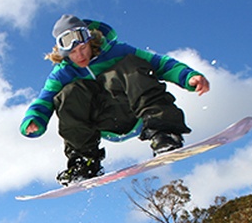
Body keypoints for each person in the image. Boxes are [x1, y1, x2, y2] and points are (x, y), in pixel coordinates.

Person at [20, 14, 210, 185]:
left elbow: (159, 63)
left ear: (90, 41)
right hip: (99, 122)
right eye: (73, 53)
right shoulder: (62, 73)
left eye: (83, 48)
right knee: (69, 93)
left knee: (130, 65)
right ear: (63, 53)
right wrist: (34, 119)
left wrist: (187, 76)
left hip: (134, 110)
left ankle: (164, 134)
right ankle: (84, 161)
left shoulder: (118, 51)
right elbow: (44, 99)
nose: (80, 56)